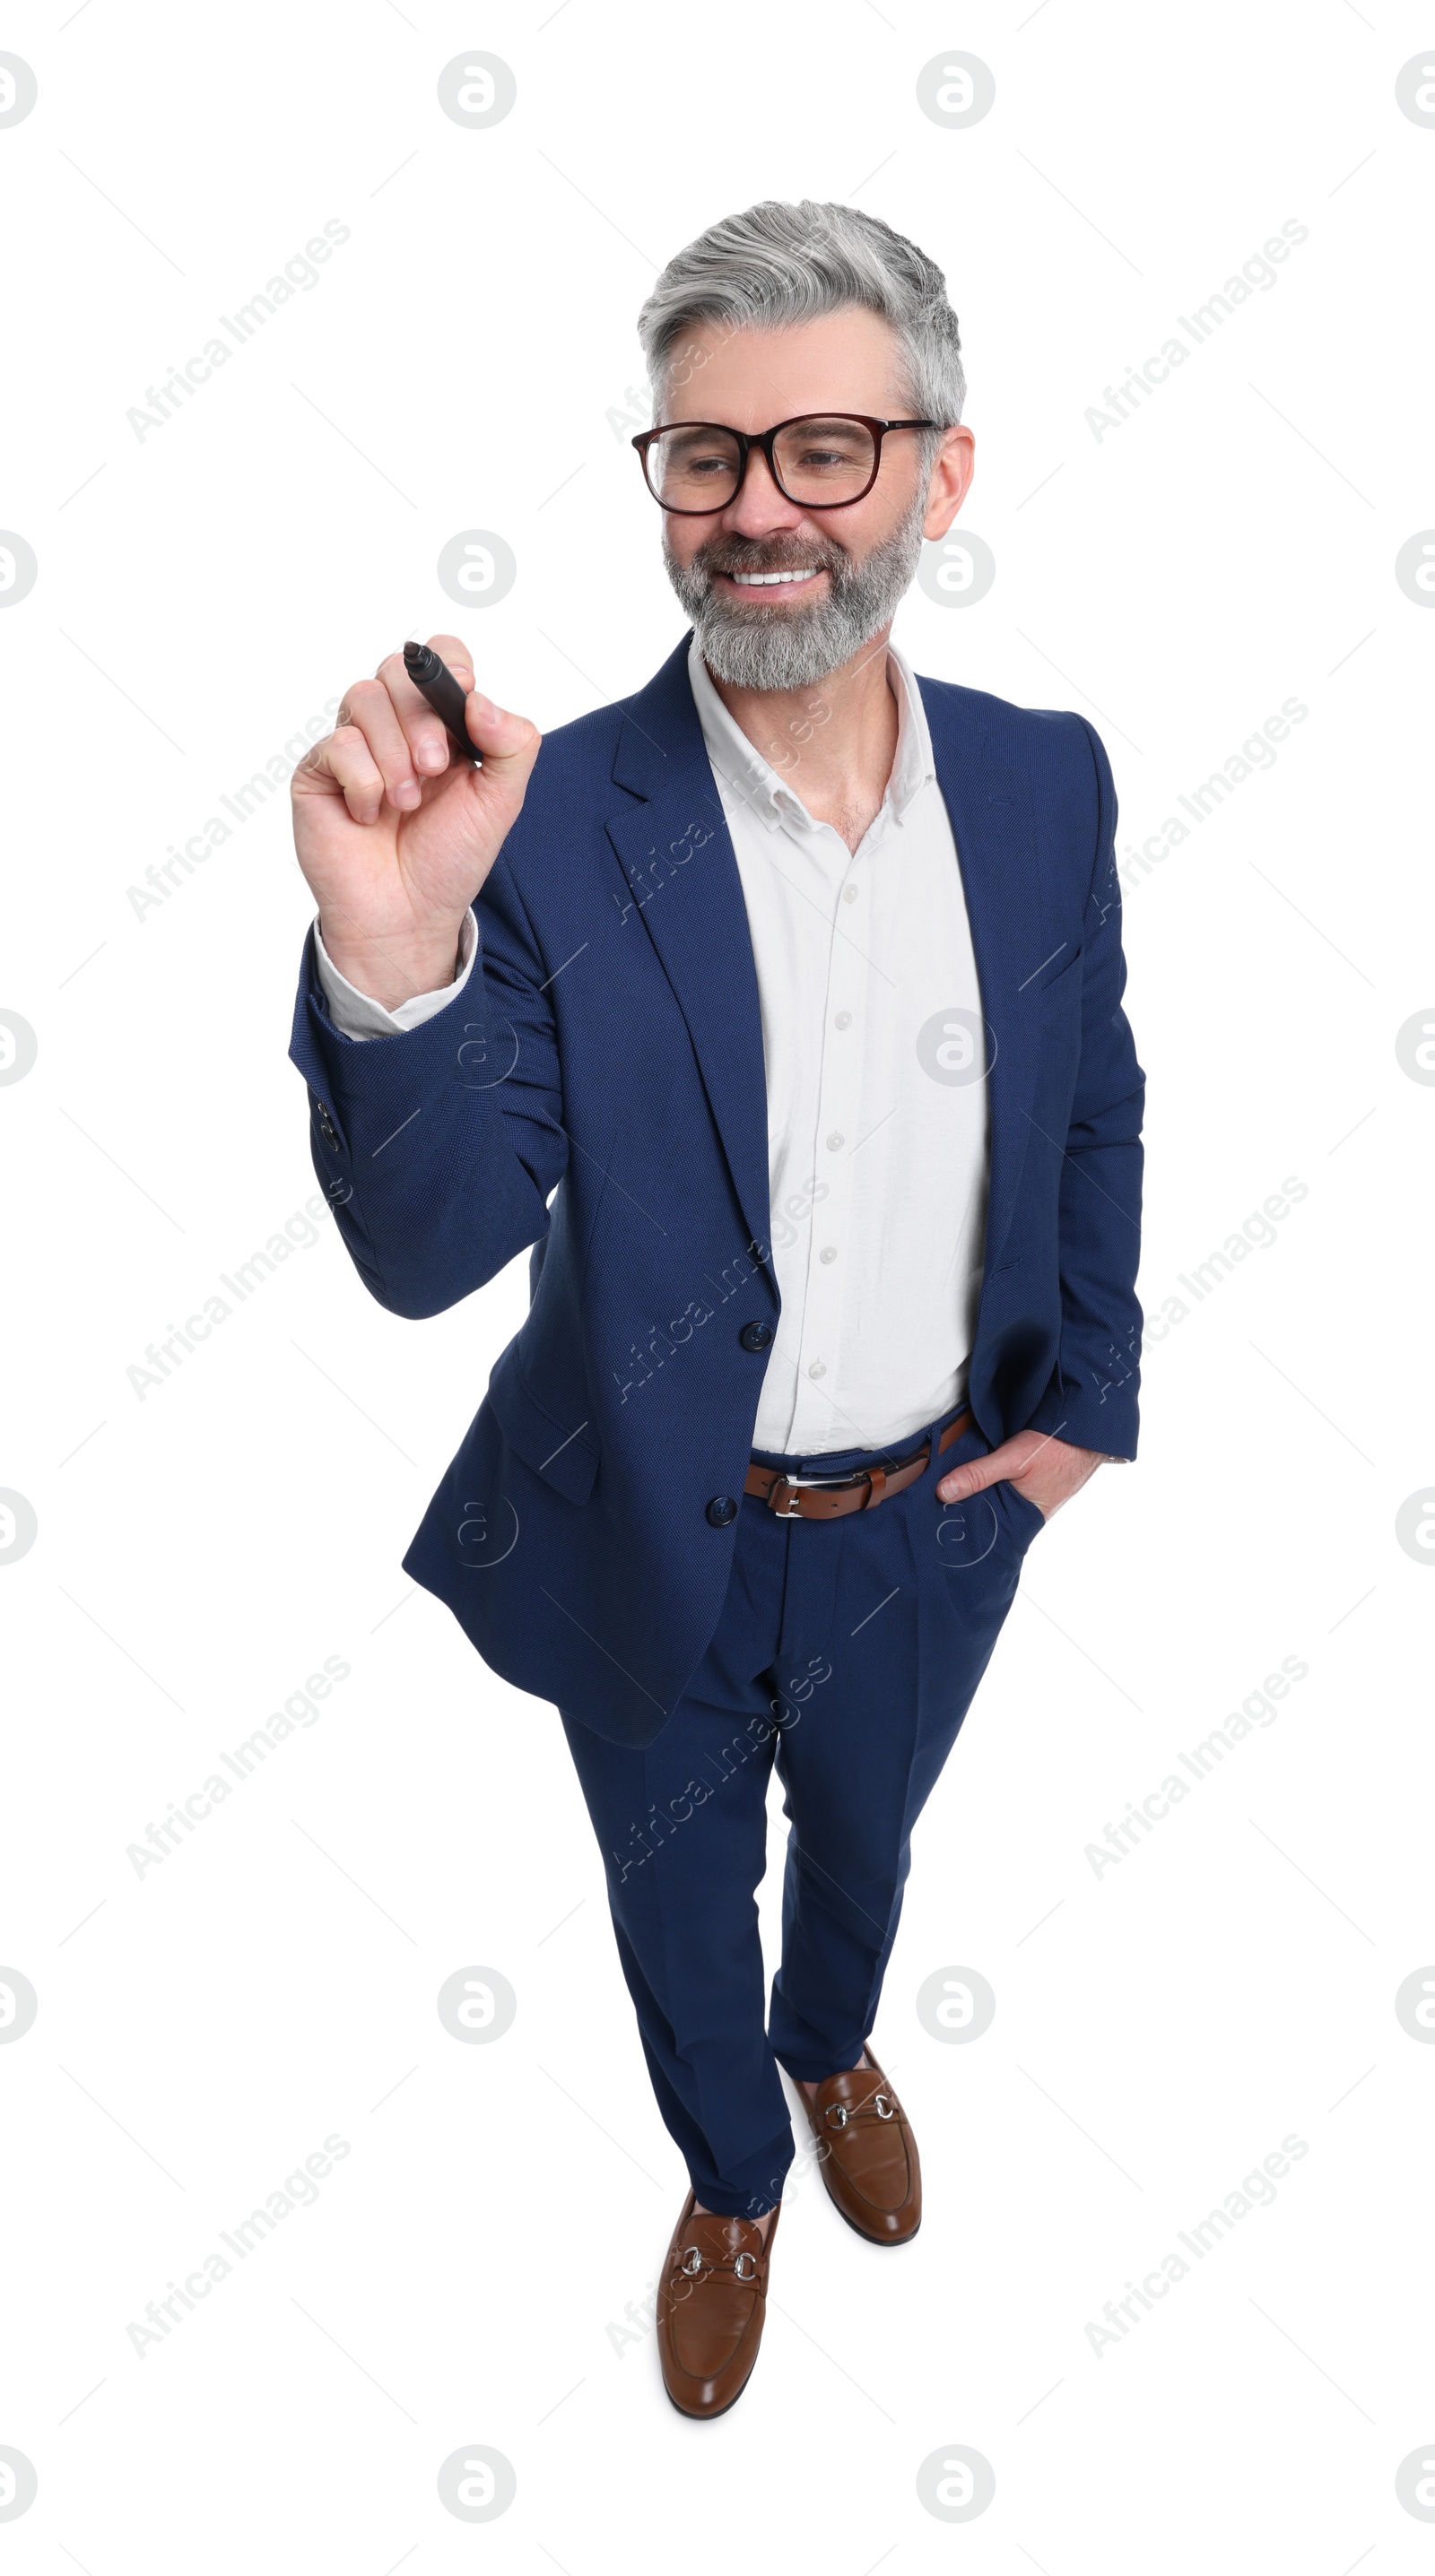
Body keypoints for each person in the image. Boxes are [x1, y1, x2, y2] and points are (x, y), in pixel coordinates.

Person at [288, 198, 1144, 2421]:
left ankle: (834, 2041)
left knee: (859, 1853)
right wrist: (395, 952)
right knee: (675, 1908)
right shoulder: (546, 818)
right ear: (660, 482)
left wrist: (1067, 1433)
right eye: (705, 455)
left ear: (939, 479)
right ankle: (730, 2167)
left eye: (824, 447)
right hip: (640, 1527)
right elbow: (430, 1248)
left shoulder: (1046, 780)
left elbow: (1091, 1104)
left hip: (930, 1520)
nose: (758, 505)